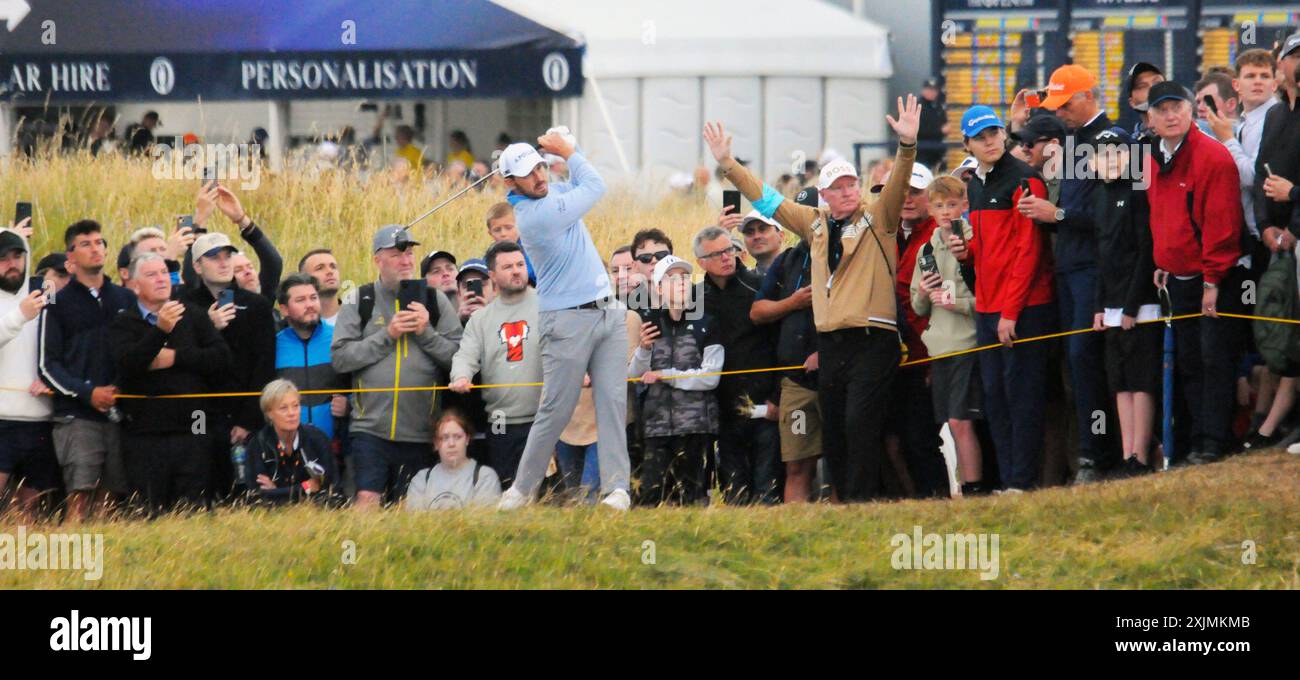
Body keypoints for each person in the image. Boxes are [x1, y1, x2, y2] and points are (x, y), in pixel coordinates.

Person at [703, 95, 921, 503]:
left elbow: (897, 184)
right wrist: (729, 164)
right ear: (823, 194)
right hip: (831, 344)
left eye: (851, 184)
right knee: (836, 427)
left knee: (860, 423)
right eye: (836, 188)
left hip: (873, 339)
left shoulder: (879, 219)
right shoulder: (815, 224)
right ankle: (842, 504)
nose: (846, 193)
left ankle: (860, 501)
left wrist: (906, 145)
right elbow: (767, 199)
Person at [495, 132, 632, 510]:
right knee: (556, 410)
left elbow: (575, 183)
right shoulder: (534, 216)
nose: (539, 176)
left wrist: (568, 147)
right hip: (566, 321)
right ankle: (521, 490)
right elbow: (594, 184)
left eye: (540, 166)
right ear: (511, 183)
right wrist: (568, 150)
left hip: (607, 312)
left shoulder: (550, 193)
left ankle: (618, 489)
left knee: (612, 403)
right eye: (528, 173)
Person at [948, 105, 1056, 493]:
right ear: (968, 144)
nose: (990, 140)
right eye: (981, 137)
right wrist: (967, 254)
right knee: (996, 398)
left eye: (994, 132)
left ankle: (1022, 482)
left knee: (1022, 396)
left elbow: (1028, 253)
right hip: (989, 307)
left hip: (1023, 308)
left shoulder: (1026, 180)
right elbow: (990, 251)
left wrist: (1010, 313)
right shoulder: (974, 184)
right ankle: (1009, 479)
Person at [1146, 81, 1247, 465]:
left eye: (1178, 107)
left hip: (1215, 280)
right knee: (1188, 362)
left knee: (1213, 362)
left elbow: (1222, 224)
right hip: (1178, 278)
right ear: (1151, 118)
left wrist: (1212, 281)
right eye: (1163, 110)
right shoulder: (1154, 157)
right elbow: (1161, 215)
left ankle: (1213, 443)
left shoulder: (1213, 157)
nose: (1171, 115)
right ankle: (1192, 443)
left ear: (1191, 111)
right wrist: (1162, 261)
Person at [332, 225, 462, 508]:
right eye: (396, 255)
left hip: (420, 432)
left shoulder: (435, 300)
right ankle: (359, 550)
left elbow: (458, 361)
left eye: (410, 253)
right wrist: (387, 335)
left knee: (410, 508)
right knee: (367, 500)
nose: (405, 261)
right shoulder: (359, 299)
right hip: (369, 429)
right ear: (378, 259)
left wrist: (425, 332)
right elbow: (341, 358)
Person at [1033, 63, 1119, 482]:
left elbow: (1113, 215)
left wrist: (1059, 213)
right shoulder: (1071, 142)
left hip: (1094, 267)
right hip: (1069, 265)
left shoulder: (1113, 140)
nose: (1061, 113)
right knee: (1074, 362)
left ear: (1089, 97)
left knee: (1086, 359)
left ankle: (1098, 453)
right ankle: (1091, 451)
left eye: (1065, 104)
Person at [110, 252, 232, 516]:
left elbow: (221, 359)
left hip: (195, 423)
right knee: (150, 510)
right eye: (152, 274)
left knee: (194, 508)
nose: (161, 279)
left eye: (164, 273)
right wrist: (160, 331)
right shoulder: (125, 322)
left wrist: (177, 356)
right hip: (146, 431)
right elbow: (128, 365)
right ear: (134, 284)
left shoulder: (195, 316)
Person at [1205, 48, 1281, 446]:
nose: (1257, 82)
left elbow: (1253, 177)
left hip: (1269, 238)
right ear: (1236, 84)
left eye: (1264, 75)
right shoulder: (1247, 119)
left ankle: (1269, 423)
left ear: (1275, 80)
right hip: (1249, 240)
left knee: (1272, 334)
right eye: (1249, 75)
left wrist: (1225, 140)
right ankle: (1256, 424)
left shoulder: (1273, 116)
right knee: (1253, 336)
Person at [39, 220, 136, 521]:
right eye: (85, 243)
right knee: (80, 496)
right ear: (70, 258)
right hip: (77, 415)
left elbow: (135, 352)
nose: (95, 248)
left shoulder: (125, 298)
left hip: (118, 413)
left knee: (109, 501)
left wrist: (119, 389)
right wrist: (87, 392)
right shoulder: (56, 304)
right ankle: (71, 561)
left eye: (99, 242)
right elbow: (47, 365)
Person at [182, 231, 277, 498]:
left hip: (246, 415)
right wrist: (208, 328)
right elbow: (182, 361)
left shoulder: (256, 305)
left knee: (248, 493)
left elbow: (264, 366)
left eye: (227, 256)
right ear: (198, 266)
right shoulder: (185, 306)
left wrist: (248, 419)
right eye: (214, 257)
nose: (223, 262)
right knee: (202, 488)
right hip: (199, 416)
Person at [1089, 128, 1160, 478]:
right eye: (1104, 154)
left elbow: (1145, 250)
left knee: (1141, 380)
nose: (1111, 160)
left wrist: (1132, 306)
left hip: (1140, 305)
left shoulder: (1137, 191)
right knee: (1119, 383)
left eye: (1118, 152)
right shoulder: (1101, 196)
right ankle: (1125, 451)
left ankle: (1141, 455)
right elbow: (1102, 254)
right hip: (1113, 304)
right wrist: (1102, 306)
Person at [911, 176, 986, 495]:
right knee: (948, 424)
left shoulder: (973, 239)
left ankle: (975, 488)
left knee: (962, 421)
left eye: (952, 205)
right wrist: (927, 294)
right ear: (930, 209)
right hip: (938, 348)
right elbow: (917, 304)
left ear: (964, 206)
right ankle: (963, 485)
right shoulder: (926, 248)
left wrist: (956, 303)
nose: (945, 212)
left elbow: (985, 298)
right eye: (939, 206)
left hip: (967, 344)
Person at [695, 225, 781, 504]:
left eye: (729, 249)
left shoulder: (759, 285)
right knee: (735, 496)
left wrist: (779, 398)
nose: (726, 257)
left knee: (767, 492)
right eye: (717, 253)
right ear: (701, 262)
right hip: (723, 413)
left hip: (765, 407)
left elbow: (781, 343)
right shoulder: (695, 298)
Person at [629, 256, 723, 505]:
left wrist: (668, 376)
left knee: (694, 499)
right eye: (671, 278)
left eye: (684, 277)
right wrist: (644, 349)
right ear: (658, 288)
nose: (680, 282)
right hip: (656, 427)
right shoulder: (650, 323)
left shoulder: (708, 322)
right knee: (650, 498)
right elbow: (635, 375)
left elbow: (711, 378)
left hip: (697, 426)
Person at [448, 241, 542, 488]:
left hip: (544, 417)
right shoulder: (481, 319)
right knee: (508, 487)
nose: (516, 271)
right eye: (508, 266)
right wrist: (461, 376)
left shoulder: (548, 305)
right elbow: (465, 356)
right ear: (492, 276)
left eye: (520, 264)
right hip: (501, 420)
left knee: (546, 492)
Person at [750, 188, 822, 502]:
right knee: (796, 464)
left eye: (812, 214)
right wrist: (791, 303)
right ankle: (799, 532)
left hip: (840, 375)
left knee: (843, 461)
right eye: (799, 215)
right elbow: (757, 311)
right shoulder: (787, 260)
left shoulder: (849, 251)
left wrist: (827, 352)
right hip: (795, 383)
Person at [883, 163, 950, 498]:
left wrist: (936, 358)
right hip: (892, 356)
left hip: (926, 355)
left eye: (916, 192)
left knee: (921, 437)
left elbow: (943, 302)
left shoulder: (941, 235)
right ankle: (911, 503)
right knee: (894, 438)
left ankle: (937, 500)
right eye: (902, 192)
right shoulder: (885, 234)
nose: (907, 199)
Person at [0, 225, 58, 519]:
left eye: (17, 256)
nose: (12, 263)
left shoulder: (44, 295)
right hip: (1, 420)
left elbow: (60, 345)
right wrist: (20, 315)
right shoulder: (22, 307)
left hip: (40, 419)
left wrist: (53, 380)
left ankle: (28, 562)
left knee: (31, 508)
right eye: (4, 258)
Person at [275, 274, 348, 441]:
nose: (309, 305)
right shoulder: (273, 345)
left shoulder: (340, 338)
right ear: (284, 309)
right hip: (287, 446)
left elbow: (359, 384)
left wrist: (348, 406)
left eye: (313, 298)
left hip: (334, 447)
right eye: (300, 300)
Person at [243, 379, 338, 506]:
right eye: (283, 408)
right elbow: (258, 496)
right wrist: (306, 487)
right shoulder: (257, 445)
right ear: (269, 413)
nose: (292, 413)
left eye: (296, 406)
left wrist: (277, 492)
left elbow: (329, 488)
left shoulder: (317, 438)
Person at [188, 183, 283, 304]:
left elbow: (273, 263)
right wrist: (200, 221)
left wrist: (241, 219)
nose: (248, 272)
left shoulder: (260, 300)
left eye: (250, 267)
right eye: (238, 270)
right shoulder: (214, 303)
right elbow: (194, 277)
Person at [405, 411, 502, 510]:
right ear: (436, 443)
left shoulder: (485, 477)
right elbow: (416, 522)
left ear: (467, 439)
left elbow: (483, 522)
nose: (451, 444)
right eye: (445, 438)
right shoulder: (421, 480)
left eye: (457, 437)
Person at [485, 201, 537, 285]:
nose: (503, 234)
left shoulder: (532, 250)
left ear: (520, 226)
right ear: (490, 233)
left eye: (508, 228)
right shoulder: (489, 257)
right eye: (497, 230)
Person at [298, 249, 343, 325]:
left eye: (333, 266)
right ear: (304, 279)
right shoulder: (294, 327)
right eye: (320, 268)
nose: (330, 271)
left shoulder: (360, 318)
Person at [918, 77, 949, 168]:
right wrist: (941, 130)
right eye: (929, 89)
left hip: (936, 153)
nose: (932, 92)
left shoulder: (937, 107)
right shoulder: (918, 106)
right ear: (923, 90)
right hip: (922, 152)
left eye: (934, 90)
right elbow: (920, 131)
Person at [455, 258, 495, 325]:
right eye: (468, 285)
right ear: (459, 294)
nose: (474, 291)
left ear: (494, 289)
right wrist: (458, 321)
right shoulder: (448, 321)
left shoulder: (508, 319)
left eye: (481, 284)